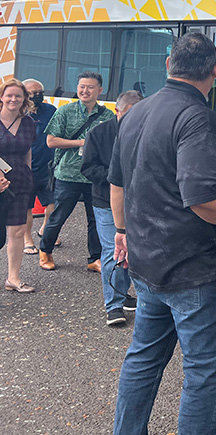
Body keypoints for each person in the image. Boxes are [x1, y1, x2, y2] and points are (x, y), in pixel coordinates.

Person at [109, 32, 216, 435]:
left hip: (147, 266)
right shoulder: (196, 117)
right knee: (205, 373)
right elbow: (202, 196)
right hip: (195, 271)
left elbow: (118, 183)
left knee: (142, 359)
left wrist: (121, 231)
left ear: (167, 65)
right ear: (215, 70)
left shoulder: (135, 113)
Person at [39, 71, 114, 272]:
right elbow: (51, 141)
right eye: (82, 86)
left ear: (100, 90)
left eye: (90, 87)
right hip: (68, 174)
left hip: (95, 176)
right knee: (59, 216)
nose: (85, 90)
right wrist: (82, 142)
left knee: (95, 219)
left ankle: (95, 258)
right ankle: (45, 250)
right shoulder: (65, 111)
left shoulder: (107, 115)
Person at [81, 90, 142, 326]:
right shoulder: (98, 133)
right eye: (128, 114)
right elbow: (87, 168)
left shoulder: (146, 131)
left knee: (135, 250)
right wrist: (115, 180)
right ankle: (113, 306)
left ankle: (122, 292)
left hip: (138, 201)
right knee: (112, 250)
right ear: (117, 111)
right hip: (106, 201)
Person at [1, 79, 36, 293]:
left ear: (24, 99)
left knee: (17, 230)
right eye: (9, 95)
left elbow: (27, 150)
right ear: (1, 97)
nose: (13, 99)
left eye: (18, 96)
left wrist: (28, 171)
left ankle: (13, 278)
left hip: (20, 180)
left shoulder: (28, 122)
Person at [23, 79, 56, 255]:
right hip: (26, 168)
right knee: (27, 207)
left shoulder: (51, 110)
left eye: (39, 92)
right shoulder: (18, 114)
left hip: (48, 167)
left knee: (53, 203)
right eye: (32, 93)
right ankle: (27, 239)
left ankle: (45, 229)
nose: (36, 96)